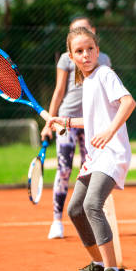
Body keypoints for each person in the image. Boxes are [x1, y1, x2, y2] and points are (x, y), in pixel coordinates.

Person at [47, 26, 135, 271]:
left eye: (90, 49)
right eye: (79, 51)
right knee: (75, 209)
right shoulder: (86, 81)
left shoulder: (105, 74)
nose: (85, 55)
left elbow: (128, 103)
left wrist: (110, 132)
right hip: (96, 156)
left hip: (113, 153)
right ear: (70, 57)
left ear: (97, 50)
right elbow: (95, 121)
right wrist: (66, 121)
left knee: (92, 204)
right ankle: (98, 262)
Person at [41, 17, 112, 240]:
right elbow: (59, 90)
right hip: (66, 120)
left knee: (91, 171)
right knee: (63, 169)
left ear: (93, 31)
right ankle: (56, 221)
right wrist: (49, 121)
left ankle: (93, 220)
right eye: (75, 31)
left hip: (93, 123)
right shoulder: (66, 59)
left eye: (84, 29)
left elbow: (107, 92)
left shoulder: (104, 59)